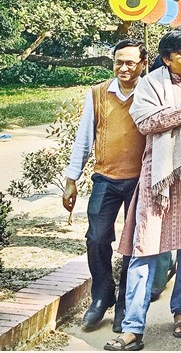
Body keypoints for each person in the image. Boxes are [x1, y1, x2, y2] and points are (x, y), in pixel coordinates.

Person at [105, 31, 181, 351]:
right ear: (167, 58)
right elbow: (145, 122)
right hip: (160, 178)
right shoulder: (150, 83)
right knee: (146, 248)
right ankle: (133, 327)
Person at [63, 40, 148, 332]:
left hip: (141, 181)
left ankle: (125, 302)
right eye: (119, 61)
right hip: (106, 177)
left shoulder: (151, 93)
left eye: (130, 62)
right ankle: (102, 295)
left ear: (142, 64)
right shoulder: (99, 93)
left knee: (133, 245)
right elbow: (84, 139)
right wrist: (71, 179)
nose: (123, 67)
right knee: (96, 238)